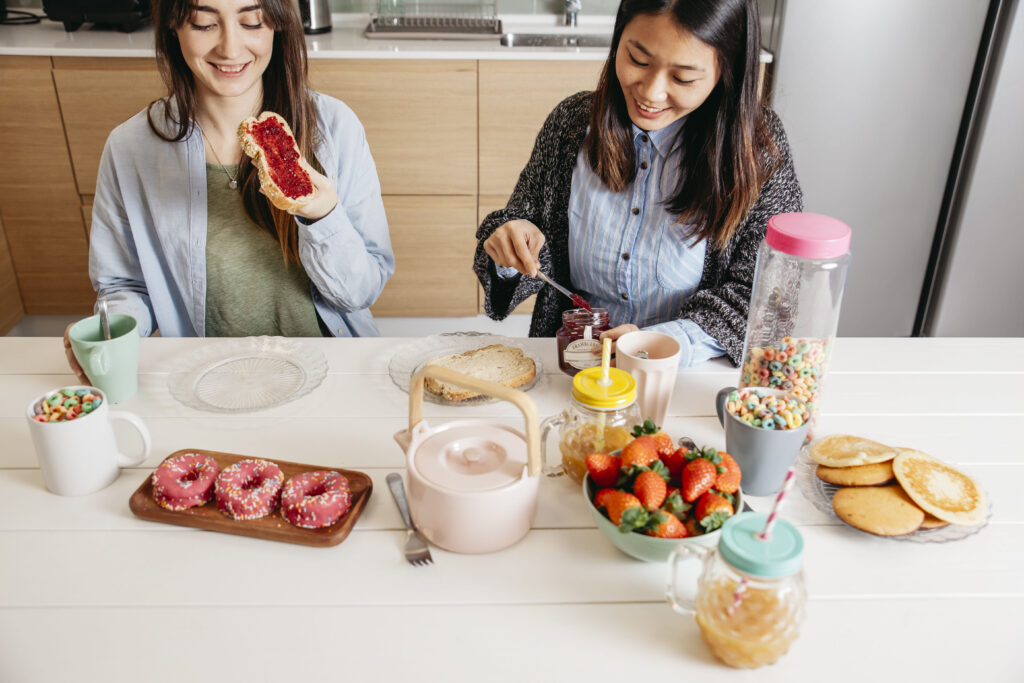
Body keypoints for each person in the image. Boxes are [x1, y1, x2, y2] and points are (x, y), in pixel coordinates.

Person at [474, 0, 802, 367]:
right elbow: (525, 232)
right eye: (638, 60)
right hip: (572, 369)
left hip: (689, 384)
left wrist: (661, 343)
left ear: (726, 71)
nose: (650, 93)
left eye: (683, 78)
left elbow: (769, 299)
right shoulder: (570, 125)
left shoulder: (756, 152)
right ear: (619, 40)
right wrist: (510, 242)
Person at [76, 0, 393, 344]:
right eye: (203, 23)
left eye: (252, 23)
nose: (230, 48)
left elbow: (360, 293)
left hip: (327, 368)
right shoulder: (130, 147)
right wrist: (111, 335)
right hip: (205, 376)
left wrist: (323, 216)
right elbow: (125, 286)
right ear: (173, 25)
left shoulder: (335, 127)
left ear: (278, 24)